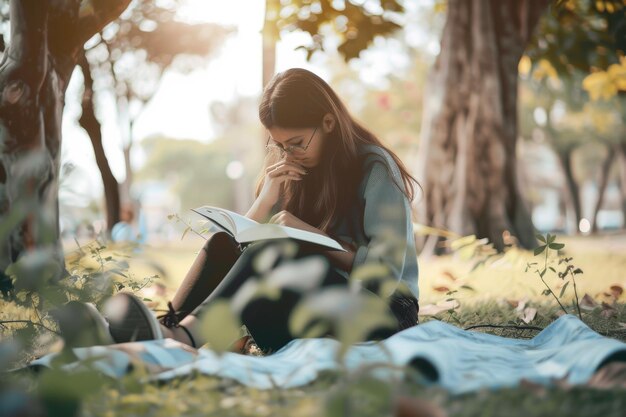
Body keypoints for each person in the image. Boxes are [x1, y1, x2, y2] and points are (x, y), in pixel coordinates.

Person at [62, 68, 420, 355]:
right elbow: (239, 251)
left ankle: (176, 339)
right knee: (222, 243)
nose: (288, 153)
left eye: (296, 143)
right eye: (279, 145)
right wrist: (266, 200)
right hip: (311, 309)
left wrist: (315, 240)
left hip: (380, 317)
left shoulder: (374, 168)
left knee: (274, 249)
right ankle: (160, 330)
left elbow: (385, 276)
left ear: (328, 123)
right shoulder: (294, 171)